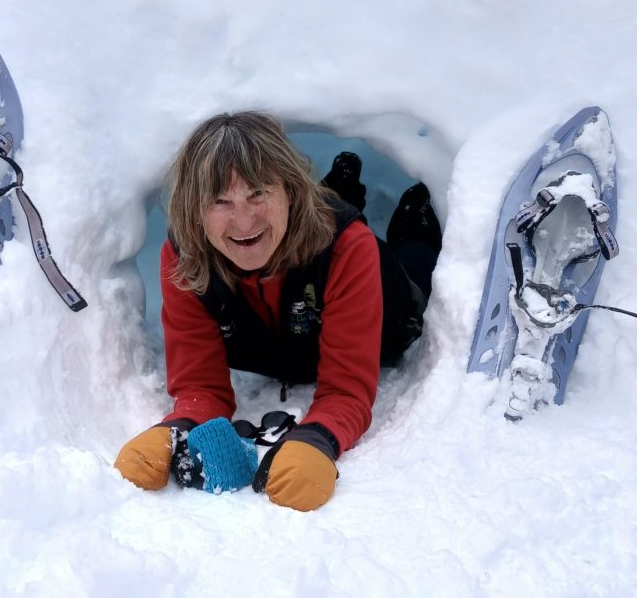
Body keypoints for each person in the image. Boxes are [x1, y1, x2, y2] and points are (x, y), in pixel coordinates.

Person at [114, 111, 440, 511]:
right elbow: (200, 386)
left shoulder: (348, 248)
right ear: (194, 210)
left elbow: (347, 388)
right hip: (291, 324)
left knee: (415, 266)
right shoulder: (186, 259)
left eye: (258, 194)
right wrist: (178, 428)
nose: (243, 220)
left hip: (389, 306)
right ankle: (341, 186)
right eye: (220, 201)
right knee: (302, 223)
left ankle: (412, 216)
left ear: (290, 190)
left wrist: (317, 438)